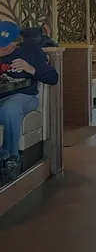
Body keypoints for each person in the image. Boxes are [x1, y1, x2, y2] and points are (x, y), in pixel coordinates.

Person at [0, 21, 59, 181]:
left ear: (16, 42)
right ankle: (4, 155)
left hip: (24, 96)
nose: (1, 49)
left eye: (4, 46)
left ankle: (11, 160)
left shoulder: (31, 50)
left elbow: (53, 78)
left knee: (10, 109)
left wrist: (31, 69)